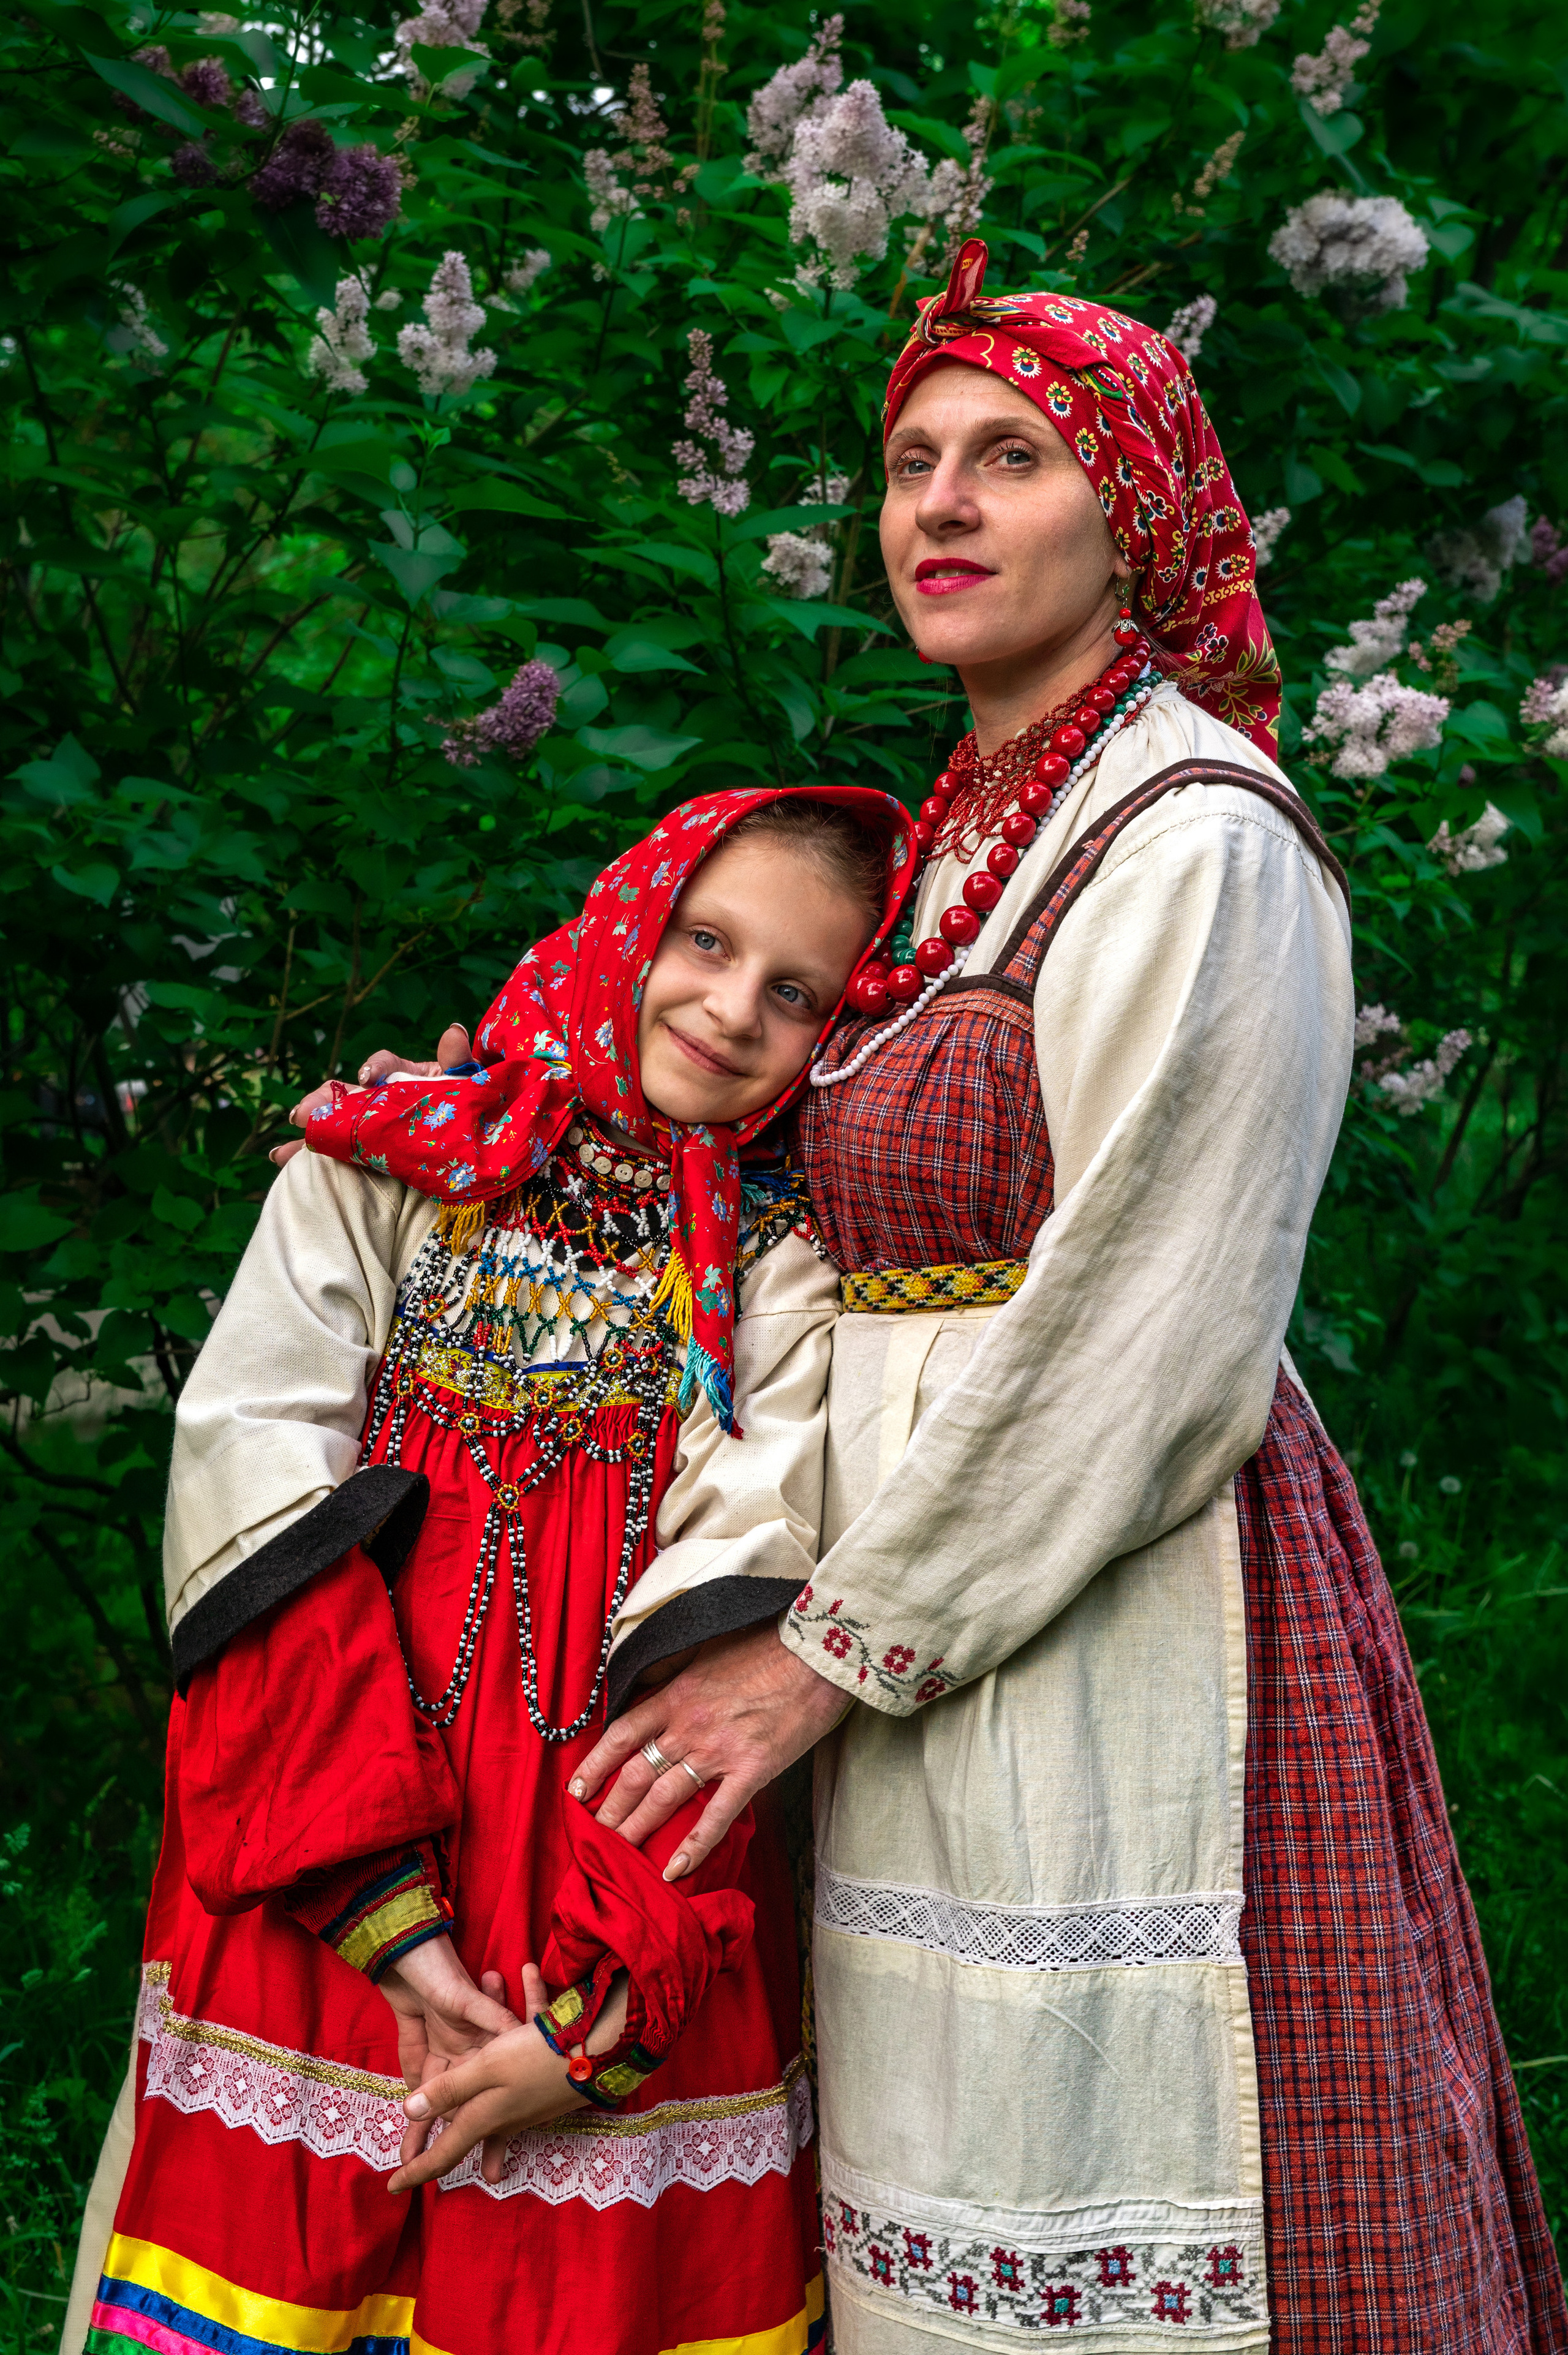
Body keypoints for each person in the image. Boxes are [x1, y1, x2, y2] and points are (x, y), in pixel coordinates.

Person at [537, 243, 1568, 2353]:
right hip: (913, 1622)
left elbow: (1150, 1325)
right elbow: (804, 1246)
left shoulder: (1200, 831)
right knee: (942, 2188)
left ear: (1135, 519)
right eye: (912, 461)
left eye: (1008, 459)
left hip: (1120, 1617)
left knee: (1125, 2172)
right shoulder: (942, 851)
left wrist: (826, 1655)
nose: (939, 503)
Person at [66, 785, 914, 2355]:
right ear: (625, 921)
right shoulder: (395, 1159)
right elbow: (251, 1495)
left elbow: (723, 1632)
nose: (732, 1009)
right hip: (323, 1860)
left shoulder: (782, 1265)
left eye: (793, 989)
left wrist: (596, 2031)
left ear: (839, 1021)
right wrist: (376, 1904)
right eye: (703, 941)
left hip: (595, 1900)